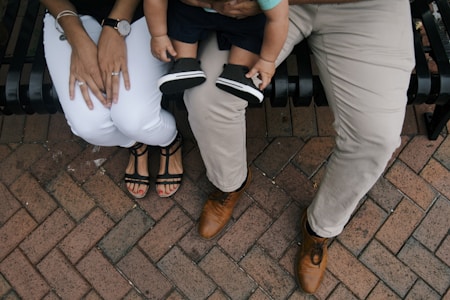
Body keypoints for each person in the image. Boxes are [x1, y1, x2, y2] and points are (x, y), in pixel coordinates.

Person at [181, 0, 415, 294]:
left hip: (366, 8)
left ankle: (319, 229)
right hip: (267, 5)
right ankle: (229, 183)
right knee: (208, 99)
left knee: (375, 138)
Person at [40, 0, 184, 199]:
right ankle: (135, 143)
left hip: (140, 9)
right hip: (68, 13)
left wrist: (115, 25)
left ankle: (169, 140)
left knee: (136, 121)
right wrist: (77, 40)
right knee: (89, 126)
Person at [143, 0, 288, 103]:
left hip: (243, 16)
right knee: (181, 18)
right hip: (194, 10)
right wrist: (159, 35)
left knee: (254, 32)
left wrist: (267, 59)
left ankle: (238, 71)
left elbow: (278, 19)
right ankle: (185, 62)